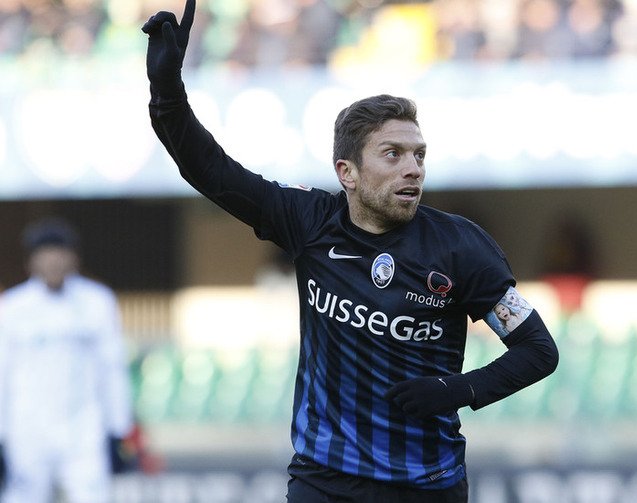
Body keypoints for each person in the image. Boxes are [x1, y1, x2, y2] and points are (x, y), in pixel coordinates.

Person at [142, 2, 559, 501]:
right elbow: (208, 168)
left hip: (424, 483)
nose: (413, 168)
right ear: (348, 173)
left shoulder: (461, 247)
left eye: (419, 155)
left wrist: (459, 389)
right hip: (324, 477)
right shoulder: (310, 222)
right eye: (393, 154)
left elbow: (539, 350)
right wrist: (167, 91)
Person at [0, 218, 134, 503]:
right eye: (45, 254)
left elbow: (112, 369)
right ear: (31, 261)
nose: (53, 262)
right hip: (27, 431)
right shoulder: (13, 307)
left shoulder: (96, 302)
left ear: (74, 258)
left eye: (60, 253)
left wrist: (118, 429)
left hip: (84, 429)